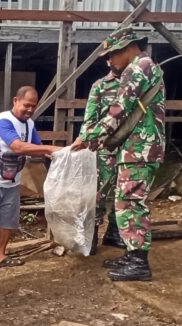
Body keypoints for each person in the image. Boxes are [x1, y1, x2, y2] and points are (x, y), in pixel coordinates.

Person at [75, 26, 166, 282]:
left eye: (113, 54)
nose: (110, 60)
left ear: (128, 48)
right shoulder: (143, 66)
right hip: (135, 147)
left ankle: (138, 262)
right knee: (123, 199)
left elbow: (120, 108)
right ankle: (131, 253)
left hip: (140, 148)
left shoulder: (139, 67)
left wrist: (88, 138)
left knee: (130, 202)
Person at [0, 86, 62, 275]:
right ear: (15, 101)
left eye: (33, 106)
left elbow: (37, 146)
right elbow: (18, 147)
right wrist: (51, 149)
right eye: (26, 105)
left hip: (13, 180)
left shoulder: (29, 124)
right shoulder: (4, 120)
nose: (30, 110)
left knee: (7, 220)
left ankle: (0, 256)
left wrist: (59, 156)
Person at [73, 59, 126, 256]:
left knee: (124, 191)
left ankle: (115, 232)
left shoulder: (134, 83)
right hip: (104, 149)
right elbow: (90, 118)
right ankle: (91, 235)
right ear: (107, 61)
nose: (114, 60)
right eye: (111, 57)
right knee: (99, 192)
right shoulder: (100, 86)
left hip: (129, 148)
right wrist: (85, 139)